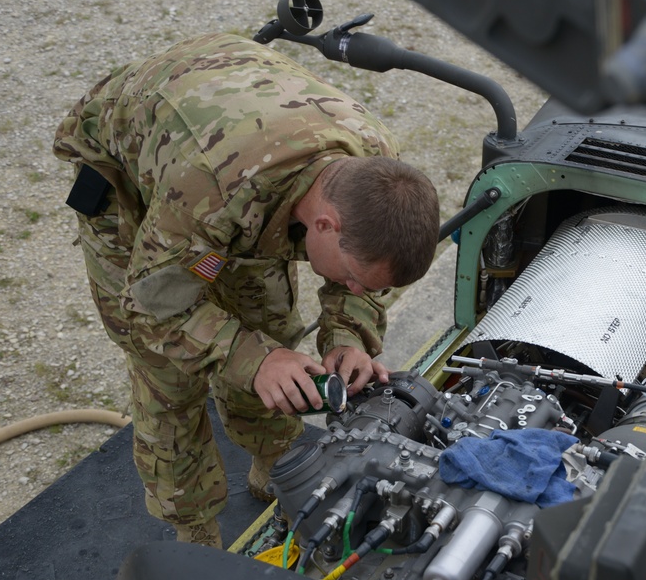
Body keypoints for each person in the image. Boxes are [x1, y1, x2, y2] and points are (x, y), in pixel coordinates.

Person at [52, 33, 440, 548]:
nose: (351, 287)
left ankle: (274, 463)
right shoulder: (210, 190)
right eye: (348, 278)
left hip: (240, 152)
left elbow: (356, 282)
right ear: (323, 225)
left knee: (270, 334)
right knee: (169, 374)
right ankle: (193, 529)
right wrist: (250, 359)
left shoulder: (375, 167)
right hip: (137, 169)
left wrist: (347, 334)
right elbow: (152, 309)